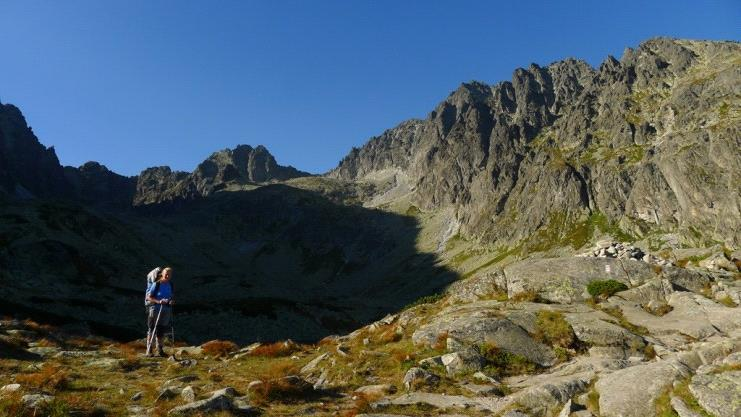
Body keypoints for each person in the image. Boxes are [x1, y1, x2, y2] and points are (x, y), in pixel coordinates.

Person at [145, 267, 174, 357]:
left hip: (166, 309)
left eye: (169, 274)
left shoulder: (170, 284)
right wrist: (158, 301)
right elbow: (148, 297)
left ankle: (160, 349)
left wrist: (171, 301)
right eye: (166, 273)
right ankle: (149, 350)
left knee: (161, 329)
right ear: (162, 274)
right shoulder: (156, 284)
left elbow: (170, 296)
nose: (167, 275)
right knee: (152, 329)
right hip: (155, 308)